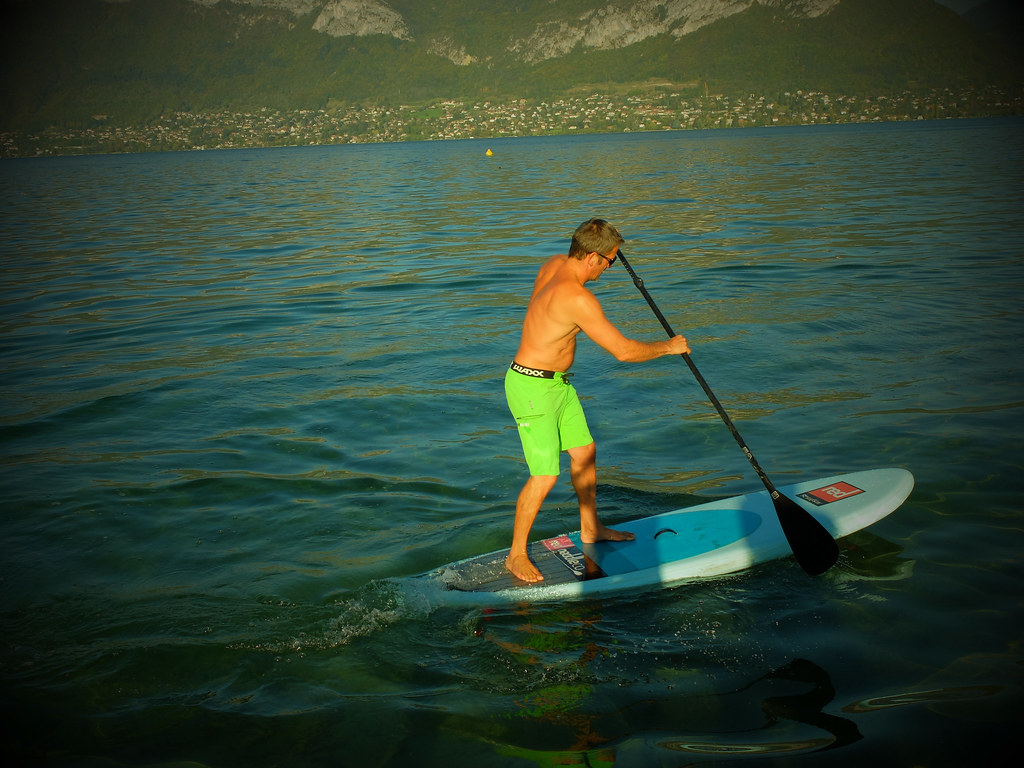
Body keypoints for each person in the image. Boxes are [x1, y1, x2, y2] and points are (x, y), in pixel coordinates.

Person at [504, 218, 691, 582]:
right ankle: (515, 555)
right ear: (591, 257)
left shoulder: (554, 264)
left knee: (585, 451)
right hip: (531, 389)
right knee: (544, 476)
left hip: (557, 383)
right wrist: (668, 347)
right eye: (610, 261)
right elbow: (623, 351)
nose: (610, 268)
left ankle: (591, 528)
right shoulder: (577, 298)